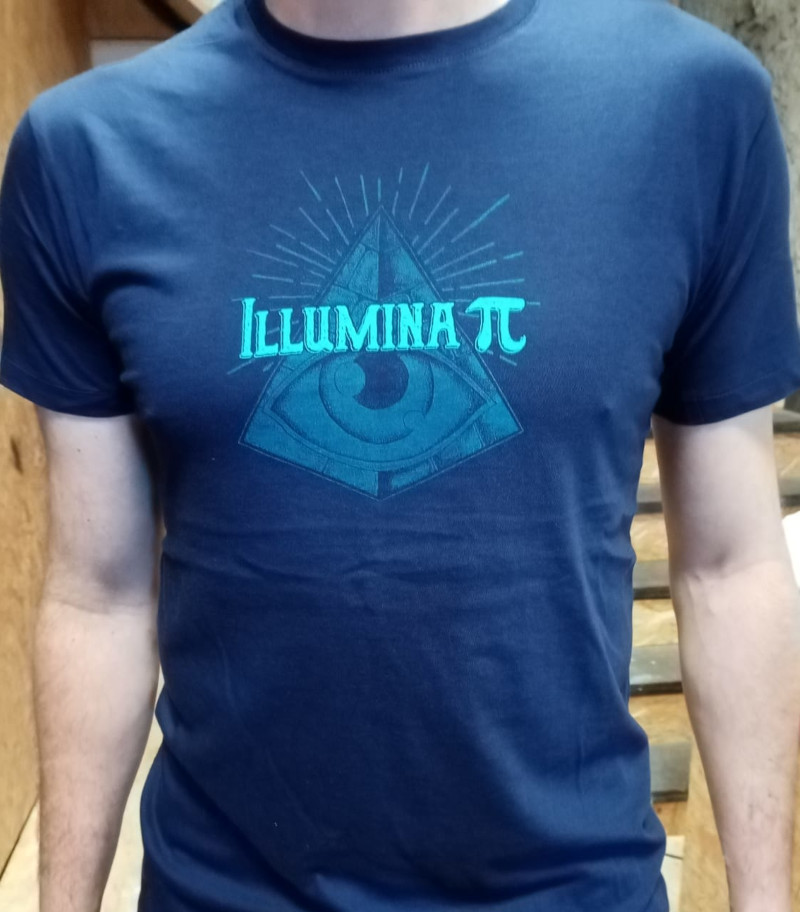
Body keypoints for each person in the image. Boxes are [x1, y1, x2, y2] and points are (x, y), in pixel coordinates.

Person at [1, 0, 799, 909]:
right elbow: (96, 595)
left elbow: (731, 566)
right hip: (222, 888)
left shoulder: (691, 105)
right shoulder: (87, 152)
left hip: (567, 888)